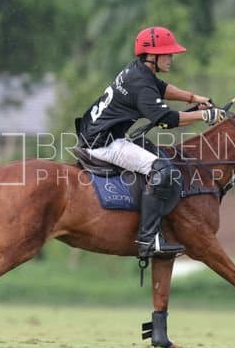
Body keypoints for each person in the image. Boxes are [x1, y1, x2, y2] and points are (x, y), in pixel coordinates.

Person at [76, 26, 227, 259]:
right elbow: (166, 120)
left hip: (96, 134)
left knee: (152, 153)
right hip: (103, 143)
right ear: (152, 56)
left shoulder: (138, 71)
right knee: (162, 170)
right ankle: (148, 239)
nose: (172, 57)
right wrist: (204, 115)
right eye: (167, 53)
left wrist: (194, 98)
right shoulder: (141, 84)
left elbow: (161, 88)